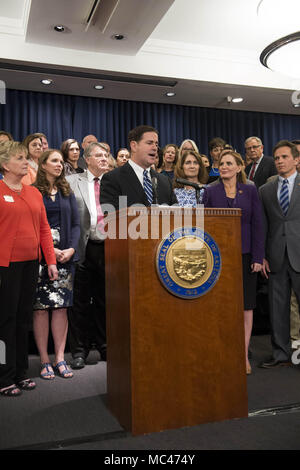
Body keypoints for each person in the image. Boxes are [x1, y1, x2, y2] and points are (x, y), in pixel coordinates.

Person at [0, 141, 57, 396]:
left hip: (31, 264)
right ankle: (4, 376)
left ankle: (21, 372)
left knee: (23, 319)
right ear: (5, 164)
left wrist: (51, 261)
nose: (26, 162)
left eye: (26, 158)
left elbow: (44, 229)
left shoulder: (34, 193)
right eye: (20, 158)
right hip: (5, 265)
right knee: (5, 320)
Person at [203, 150, 264, 375]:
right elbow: (205, 226)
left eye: (229, 163)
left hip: (246, 255)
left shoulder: (250, 190)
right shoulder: (210, 192)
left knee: (246, 307)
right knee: (222, 306)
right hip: (219, 256)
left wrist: (258, 257)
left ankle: (242, 354)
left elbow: (258, 224)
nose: (224, 167)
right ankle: (223, 352)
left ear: (239, 167)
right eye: (221, 163)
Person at [32, 149, 80, 380]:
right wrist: (49, 250)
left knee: (61, 308)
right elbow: (31, 227)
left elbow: (76, 224)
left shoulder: (66, 191)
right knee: (40, 310)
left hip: (65, 259)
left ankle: (60, 358)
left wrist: (71, 249)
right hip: (41, 259)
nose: (60, 165)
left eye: (61, 162)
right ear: (42, 165)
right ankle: (44, 360)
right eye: (54, 161)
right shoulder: (32, 191)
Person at [67, 142, 109, 369]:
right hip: (82, 247)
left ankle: (104, 346)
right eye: (99, 155)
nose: (104, 159)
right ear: (87, 159)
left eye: (106, 155)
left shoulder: (113, 183)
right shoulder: (72, 181)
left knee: (105, 300)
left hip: (108, 249)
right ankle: (79, 351)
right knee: (80, 302)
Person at [259, 140, 300, 368]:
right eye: (277, 158)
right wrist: (263, 255)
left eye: (284, 157)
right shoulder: (265, 190)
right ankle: (281, 353)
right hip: (275, 257)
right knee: (278, 308)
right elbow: (263, 226)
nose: (280, 161)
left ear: (296, 159)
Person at [100, 125, 177, 210]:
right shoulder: (112, 179)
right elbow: (111, 217)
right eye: (149, 143)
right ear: (134, 146)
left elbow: (176, 216)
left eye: (156, 144)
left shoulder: (165, 182)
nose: (155, 148)